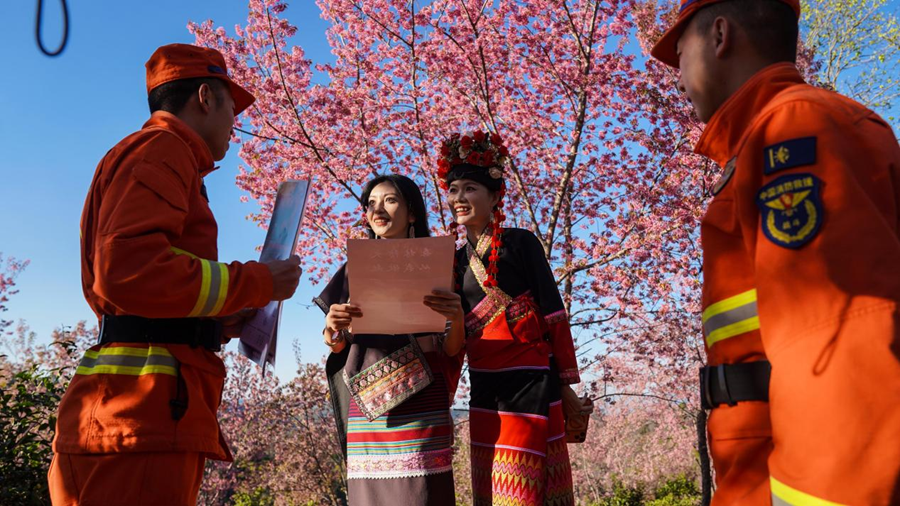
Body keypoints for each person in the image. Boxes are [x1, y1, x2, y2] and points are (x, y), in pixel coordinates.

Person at [650, 1, 900, 504]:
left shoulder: (794, 129)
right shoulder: (774, 136)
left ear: (720, 35)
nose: (676, 79)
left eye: (679, 54)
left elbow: (840, 350)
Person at [48, 43, 303, 505]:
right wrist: (258, 282)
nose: (236, 123)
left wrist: (218, 321)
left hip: (137, 415)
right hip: (142, 417)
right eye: (232, 107)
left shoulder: (149, 155)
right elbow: (129, 271)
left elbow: (140, 291)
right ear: (205, 97)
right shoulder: (163, 150)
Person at [436, 131, 592, 505]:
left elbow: (553, 313)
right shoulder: (454, 261)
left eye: (470, 188)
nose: (459, 198)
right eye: (453, 190)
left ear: (494, 196)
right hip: (484, 385)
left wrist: (566, 385)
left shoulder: (521, 243)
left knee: (523, 489)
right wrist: (442, 395)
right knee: (491, 486)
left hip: (530, 381)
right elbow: (452, 335)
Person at [314, 174, 466, 506]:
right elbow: (339, 346)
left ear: (412, 213)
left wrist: (457, 318)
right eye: (371, 203)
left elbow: (452, 349)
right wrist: (331, 330)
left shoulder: (441, 265)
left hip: (423, 402)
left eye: (390, 200)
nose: (377, 210)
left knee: (423, 494)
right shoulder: (353, 269)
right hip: (369, 405)